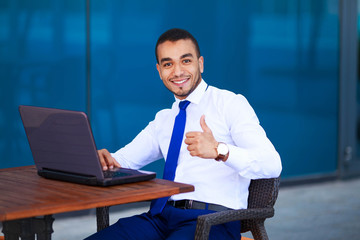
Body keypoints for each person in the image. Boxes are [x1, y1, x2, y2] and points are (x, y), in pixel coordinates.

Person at [85, 28, 282, 240]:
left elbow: (272, 163)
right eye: (168, 64)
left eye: (186, 61)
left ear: (201, 64)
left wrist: (220, 150)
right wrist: (104, 160)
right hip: (160, 218)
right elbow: (124, 161)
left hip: (213, 220)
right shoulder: (164, 119)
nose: (177, 72)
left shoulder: (230, 104)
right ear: (159, 71)